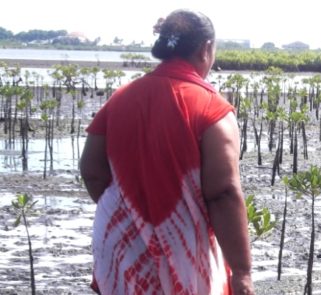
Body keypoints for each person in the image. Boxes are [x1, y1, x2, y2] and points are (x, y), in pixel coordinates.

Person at [80, 9, 254, 295]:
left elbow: (92, 171)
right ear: (206, 48)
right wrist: (243, 272)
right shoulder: (212, 109)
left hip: (120, 245)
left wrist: (133, 217)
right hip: (183, 245)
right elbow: (223, 192)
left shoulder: (119, 99)